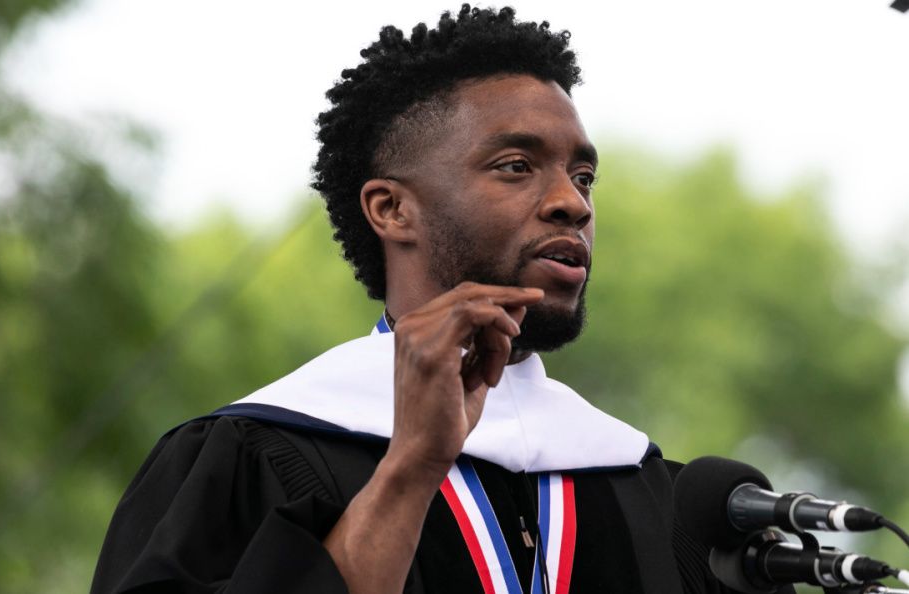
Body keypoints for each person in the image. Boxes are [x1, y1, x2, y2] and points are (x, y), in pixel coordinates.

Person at [91, 5, 759, 593]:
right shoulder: (255, 453)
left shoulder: (645, 487)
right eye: (516, 166)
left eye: (584, 176)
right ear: (392, 209)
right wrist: (412, 466)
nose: (573, 203)